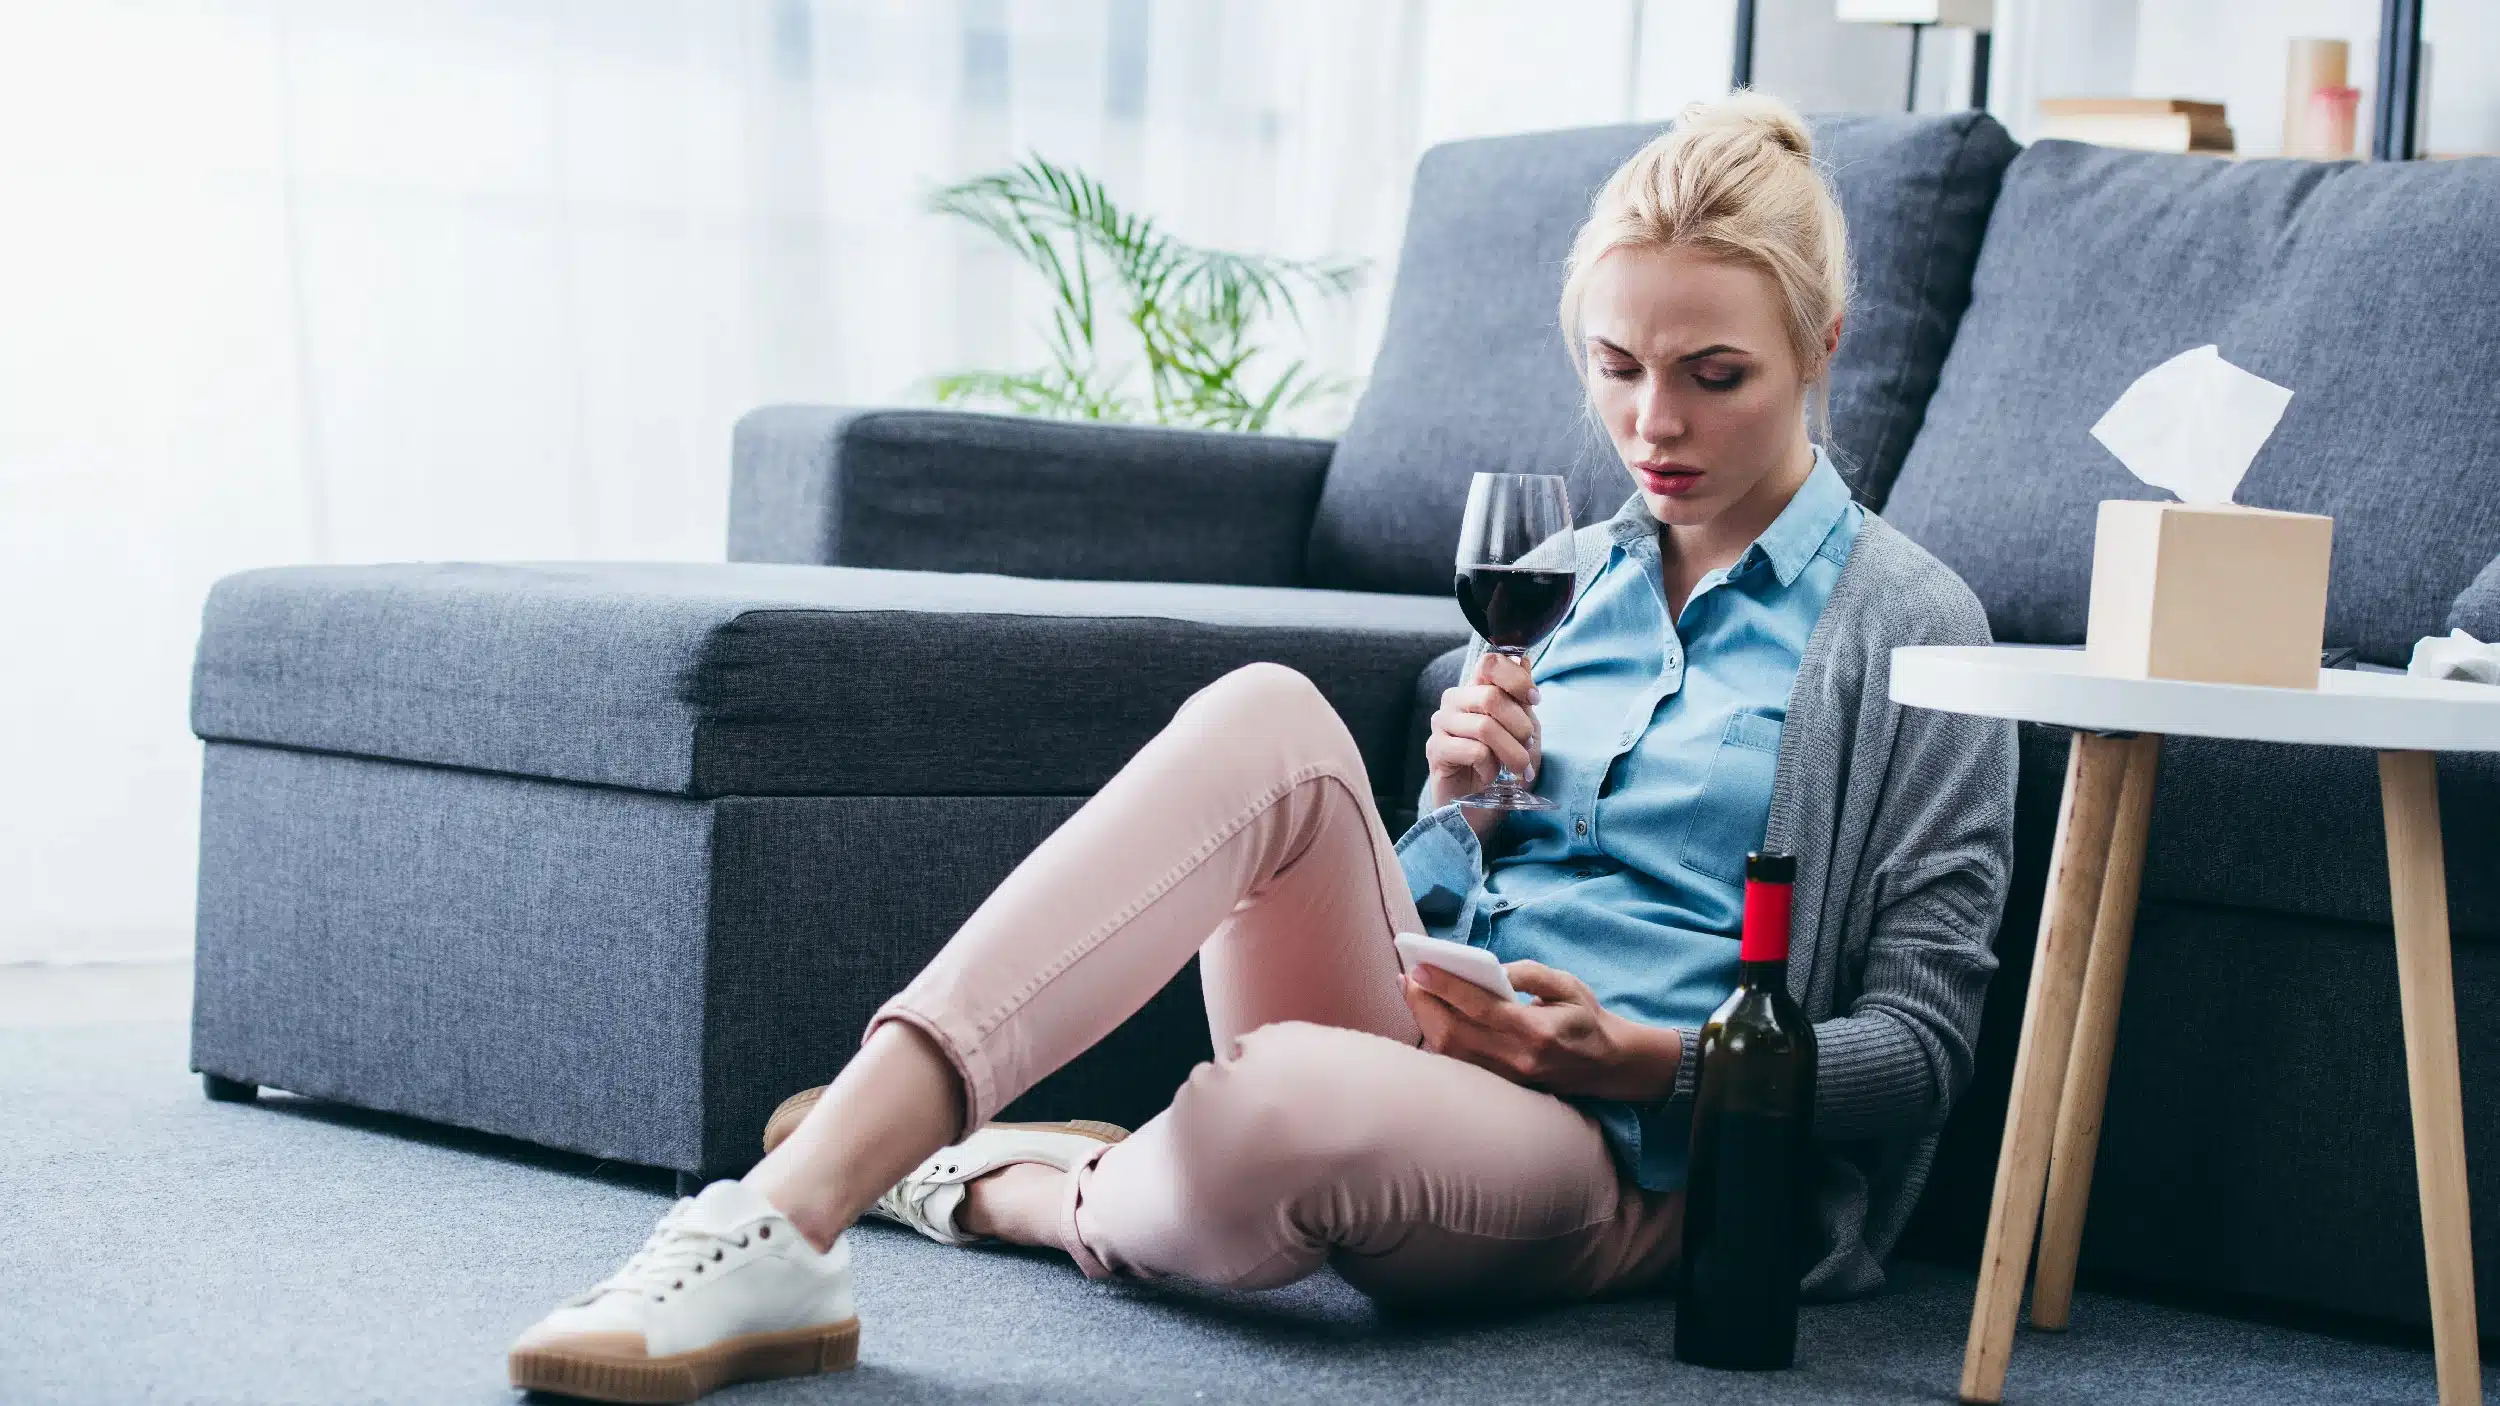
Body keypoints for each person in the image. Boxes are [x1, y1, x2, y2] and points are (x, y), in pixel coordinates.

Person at [506, 90, 2018, 1404]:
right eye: (1615, 365)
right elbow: (1436, 884)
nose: (1651, 422)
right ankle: (779, 1222)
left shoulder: (1911, 632)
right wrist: (1456, 801)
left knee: (1275, 1113)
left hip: (1628, 1153)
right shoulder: (1568, 577)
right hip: (1415, 1027)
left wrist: (1654, 1058)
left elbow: (1927, 1048)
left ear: (1821, 345)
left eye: (1713, 375)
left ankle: (1004, 1183)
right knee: (1269, 713)